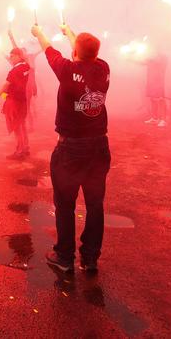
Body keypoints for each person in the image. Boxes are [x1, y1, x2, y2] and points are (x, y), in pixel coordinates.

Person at [32, 23, 110, 273]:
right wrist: (69, 33)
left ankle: (64, 256)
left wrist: (38, 33)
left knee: (65, 204)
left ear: (75, 53)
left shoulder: (67, 69)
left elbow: (48, 49)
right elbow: (84, 53)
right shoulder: (103, 67)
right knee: (95, 203)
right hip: (99, 146)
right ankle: (90, 257)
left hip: (71, 149)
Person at [0, 47, 30, 159]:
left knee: (16, 127)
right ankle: (25, 148)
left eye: (12, 56)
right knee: (21, 124)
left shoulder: (14, 71)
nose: (10, 58)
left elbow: (5, 85)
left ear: (18, 56)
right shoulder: (26, 66)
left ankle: (19, 151)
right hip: (22, 100)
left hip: (14, 102)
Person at [8, 30, 41, 131]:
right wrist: (11, 37)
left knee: (27, 107)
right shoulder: (21, 62)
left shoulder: (29, 59)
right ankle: (26, 126)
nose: (22, 53)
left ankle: (29, 125)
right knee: (25, 108)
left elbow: (41, 50)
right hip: (23, 88)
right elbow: (15, 49)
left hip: (29, 87)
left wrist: (42, 39)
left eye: (23, 52)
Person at [143, 52, 168, 127]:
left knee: (161, 99)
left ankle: (163, 120)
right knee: (152, 99)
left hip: (159, 81)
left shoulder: (162, 57)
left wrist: (152, 58)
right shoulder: (152, 57)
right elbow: (143, 62)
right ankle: (155, 118)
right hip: (151, 81)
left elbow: (161, 63)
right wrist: (130, 58)